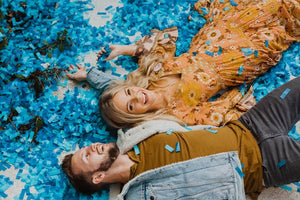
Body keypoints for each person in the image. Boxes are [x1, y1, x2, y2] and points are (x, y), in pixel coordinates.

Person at [66, 0, 300, 129]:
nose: (137, 96)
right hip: (236, 61)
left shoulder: (149, 77)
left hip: (212, 39)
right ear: (134, 117)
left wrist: (117, 54)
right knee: (280, 16)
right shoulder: (176, 113)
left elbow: (155, 50)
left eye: (129, 92)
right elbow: (215, 115)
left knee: (266, 4)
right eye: (131, 106)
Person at [62, 76, 300, 199]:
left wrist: (90, 75)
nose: (91, 146)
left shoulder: (132, 135)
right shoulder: (140, 195)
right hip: (265, 165)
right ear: (98, 177)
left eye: (86, 148)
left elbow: (120, 96)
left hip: (250, 124)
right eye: (86, 155)